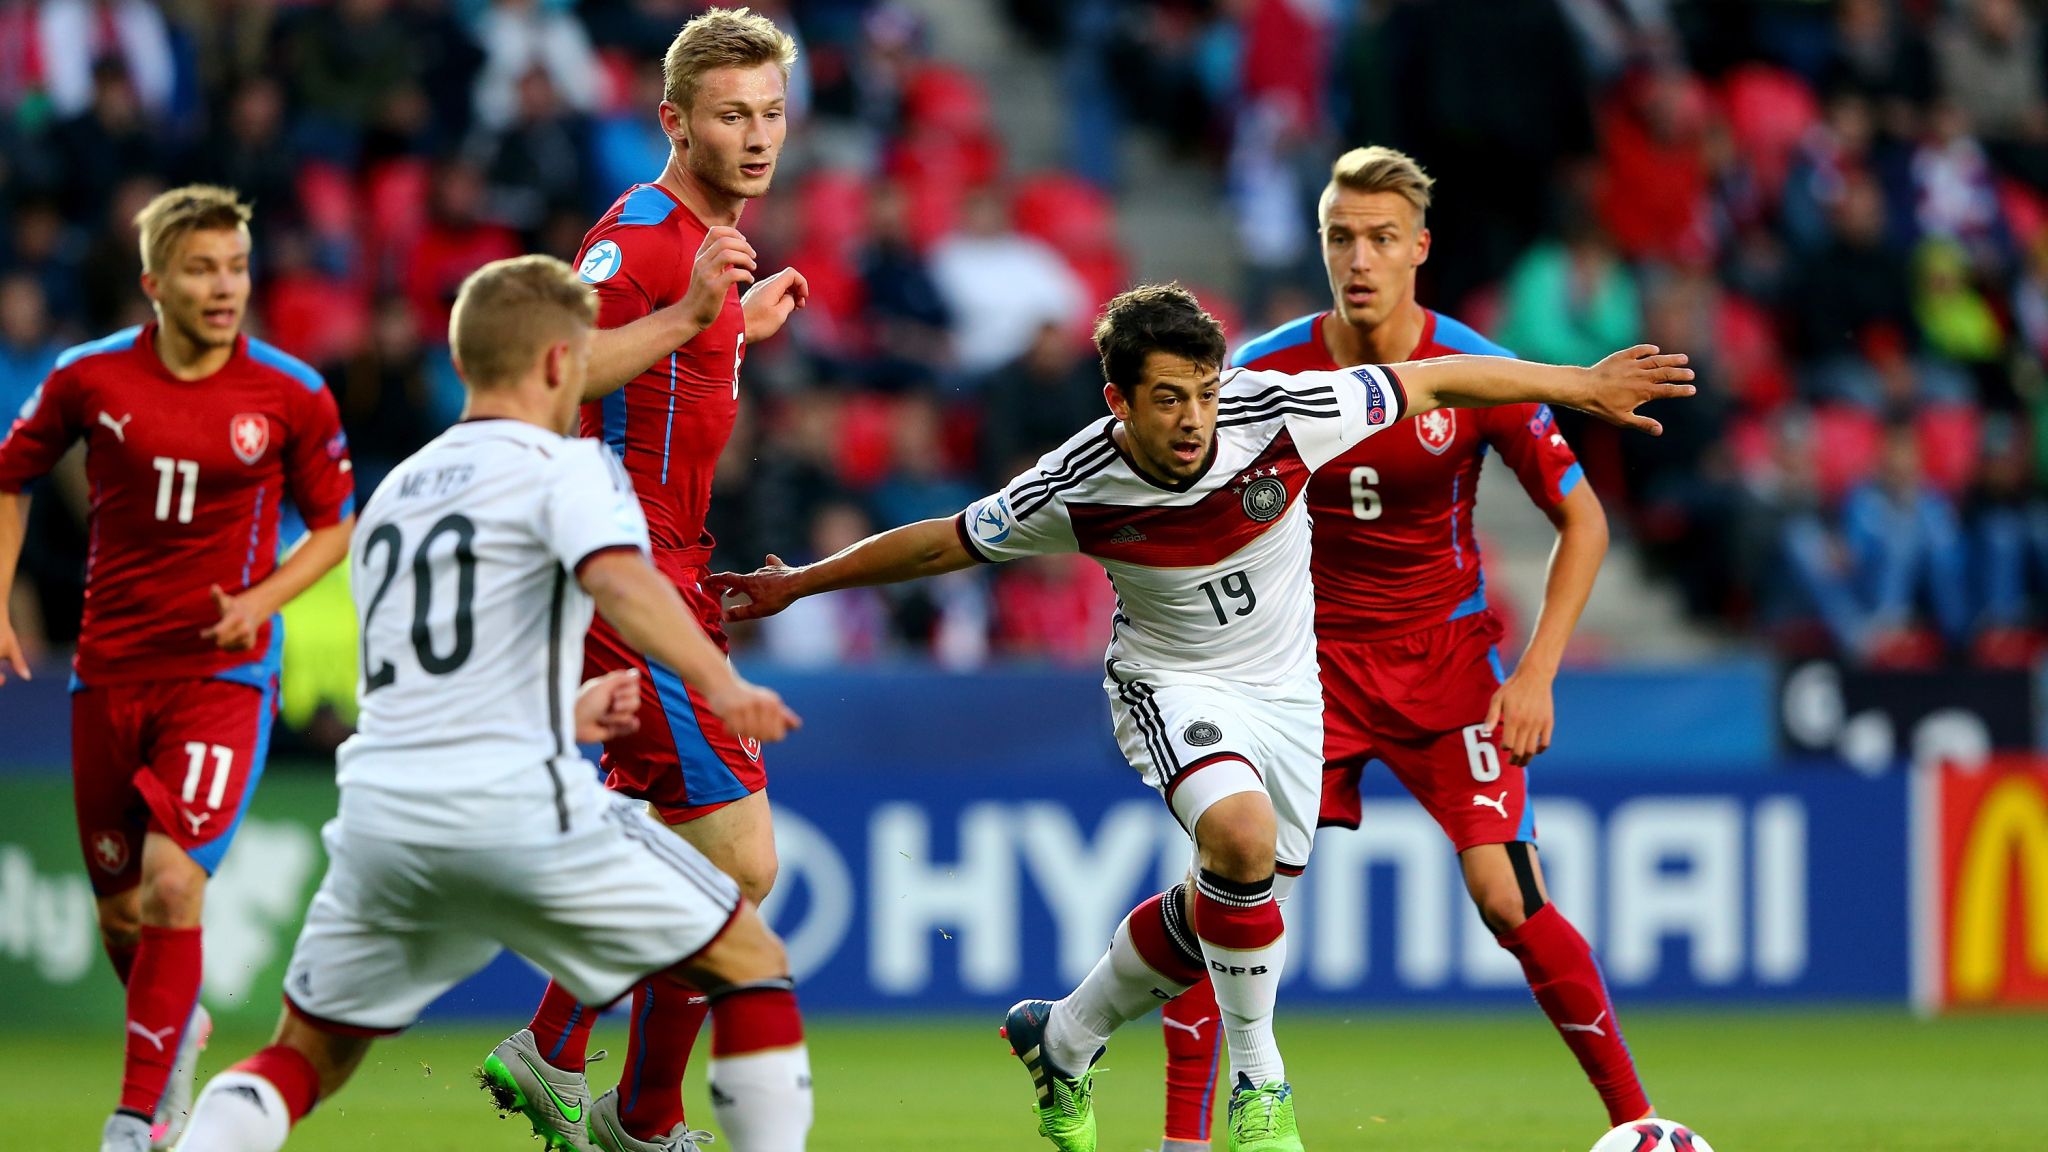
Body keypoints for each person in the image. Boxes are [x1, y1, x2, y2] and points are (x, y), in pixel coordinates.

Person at [709, 282, 1693, 1152]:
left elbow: (1434, 381)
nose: (1191, 419)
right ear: (1118, 402)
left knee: (1230, 899)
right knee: (1237, 835)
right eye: (1166, 398)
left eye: (1203, 392)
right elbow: (940, 545)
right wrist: (800, 584)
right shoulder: (1078, 482)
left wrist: (1572, 385)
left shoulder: (1278, 413)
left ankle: (1062, 1038)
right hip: (1168, 684)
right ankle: (1260, 1086)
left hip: (1288, 698)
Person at [169, 255, 812, 1152]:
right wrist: (724, 684)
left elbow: (440, 669)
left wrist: (563, 717)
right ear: (561, 364)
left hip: (382, 819)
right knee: (751, 959)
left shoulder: (393, 495)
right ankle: (639, 1113)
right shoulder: (567, 470)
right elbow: (624, 584)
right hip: (514, 809)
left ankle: (546, 1052)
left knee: (300, 1058)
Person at [1152, 147, 1650, 1152]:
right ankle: (1185, 1142)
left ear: (1418, 249)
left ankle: (1638, 1125)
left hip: (1445, 666)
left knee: (1506, 893)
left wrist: (1539, 674)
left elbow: (1582, 521)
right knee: (1237, 892)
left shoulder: (1473, 368)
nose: (1358, 258)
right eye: (1340, 237)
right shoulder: (1264, 372)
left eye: (1381, 238)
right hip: (1305, 671)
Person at [484, 9, 813, 1152]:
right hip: (622, 572)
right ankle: (605, 1084)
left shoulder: (710, 246)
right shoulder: (639, 234)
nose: (758, 135)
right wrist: (691, 316)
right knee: (742, 857)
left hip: (670, 565)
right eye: (732, 115)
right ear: (674, 121)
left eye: (771, 112)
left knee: (685, 845)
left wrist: (733, 334)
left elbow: (662, 376)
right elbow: (552, 375)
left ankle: (608, 1086)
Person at [0, 185, 358, 1152]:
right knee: (122, 915)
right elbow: (11, 472)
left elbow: (336, 526)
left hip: (222, 674)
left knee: (171, 886)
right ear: (155, 282)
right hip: (109, 673)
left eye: (237, 267)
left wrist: (262, 601)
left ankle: (138, 1116)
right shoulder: (88, 380)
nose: (224, 286)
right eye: (202, 269)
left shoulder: (290, 393)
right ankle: (177, 1024)